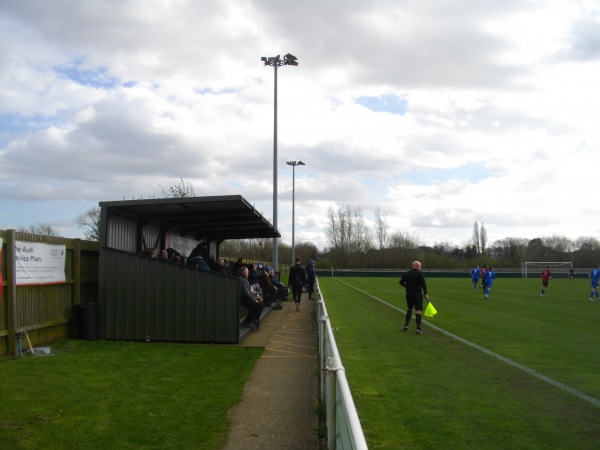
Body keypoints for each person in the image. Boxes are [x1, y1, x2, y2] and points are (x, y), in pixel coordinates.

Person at [399, 261, 429, 335]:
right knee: (418, 311)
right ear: (417, 266)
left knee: (409, 308)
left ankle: (406, 325)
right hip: (417, 293)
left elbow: (401, 282)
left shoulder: (407, 273)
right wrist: (425, 293)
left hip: (409, 294)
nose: (420, 268)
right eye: (420, 266)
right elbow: (423, 284)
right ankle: (418, 328)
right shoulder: (420, 273)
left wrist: (407, 287)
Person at [237, 266, 264, 330]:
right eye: (247, 272)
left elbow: (250, 292)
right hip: (243, 300)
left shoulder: (244, 280)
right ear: (243, 272)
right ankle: (248, 321)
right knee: (258, 305)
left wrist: (255, 298)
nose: (248, 273)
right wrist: (254, 300)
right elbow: (246, 293)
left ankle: (253, 320)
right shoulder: (242, 280)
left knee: (260, 304)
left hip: (246, 299)